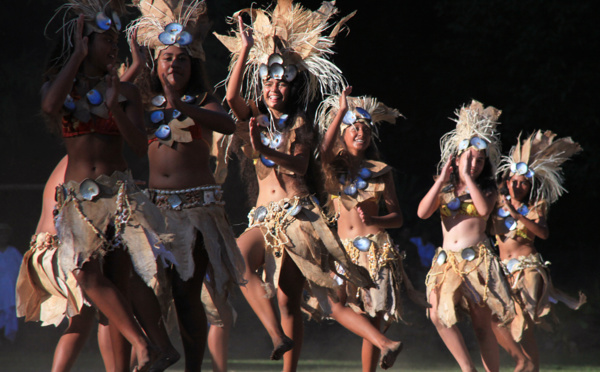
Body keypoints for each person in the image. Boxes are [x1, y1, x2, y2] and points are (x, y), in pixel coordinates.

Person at [217, 3, 401, 371]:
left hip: (297, 216)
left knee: (294, 301)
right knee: (236, 262)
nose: (274, 87)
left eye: (281, 82)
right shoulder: (254, 117)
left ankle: (306, 358)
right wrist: (247, 50)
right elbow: (231, 98)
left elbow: (301, 164)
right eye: (268, 81)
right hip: (264, 217)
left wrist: (266, 149)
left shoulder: (299, 124)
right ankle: (276, 336)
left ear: (292, 87)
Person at [40, 1, 173, 370]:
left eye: (116, 40)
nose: (113, 47)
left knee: (115, 282)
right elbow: (50, 106)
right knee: (87, 273)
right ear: (85, 41)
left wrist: (115, 106)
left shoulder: (126, 93)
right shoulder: (63, 87)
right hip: (79, 200)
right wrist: (77, 55)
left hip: (118, 196)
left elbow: (137, 145)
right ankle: (146, 345)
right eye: (106, 40)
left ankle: (142, 352)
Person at [128, 1, 245, 371]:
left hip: (196, 209)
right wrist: (134, 66)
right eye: (167, 58)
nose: (174, 64)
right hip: (153, 209)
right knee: (146, 290)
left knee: (185, 292)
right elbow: (120, 109)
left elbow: (226, 125)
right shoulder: (144, 102)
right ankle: (147, 358)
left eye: (181, 59)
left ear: (192, 64)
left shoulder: (203, 101)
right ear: (156, 63)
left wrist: (183, 106)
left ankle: (193, 368)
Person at [317, 87, 427, 371]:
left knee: (373, 315)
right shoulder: (332, 169)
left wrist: (377, 220)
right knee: (334, 305)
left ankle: (376, 355)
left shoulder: (381, 170)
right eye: (353, 127)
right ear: (343, 132)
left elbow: (398, 218)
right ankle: (385, 344)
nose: (359, 132)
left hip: (375, 248)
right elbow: (322, 152)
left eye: (364, 128)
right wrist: (340, 111)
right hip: (342, 252)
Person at [417, 100, 515, 372]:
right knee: (437, 314)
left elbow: (483, 212)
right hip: (447, 262)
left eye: (480, 160)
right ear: (456, 157)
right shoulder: (445, 188)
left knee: (482, 326)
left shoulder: (487, 189)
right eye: (469, 158)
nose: (474, 164)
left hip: (477, 262)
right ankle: (467, 368)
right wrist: (441, 180)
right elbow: (423, 213)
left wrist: (468, 179)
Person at [491, 130, 586, 372]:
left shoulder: (536, 207)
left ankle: (529, 366)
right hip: (502, 270)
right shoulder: (495, 205)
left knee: (524, 323)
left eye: (524, 182)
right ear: (507, 181)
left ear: (530, 185)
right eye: (514, 181)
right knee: (496, 320)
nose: (519, 185)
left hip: (528, 270)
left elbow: (543, 233)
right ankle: (526, 363)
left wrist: (516, 215)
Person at [0, 223, 22, 343]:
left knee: (11, 315)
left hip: (11, 293)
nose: (3, 237)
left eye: (5, 234)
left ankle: (10, 342)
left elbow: (22, 270)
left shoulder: (13, 252)